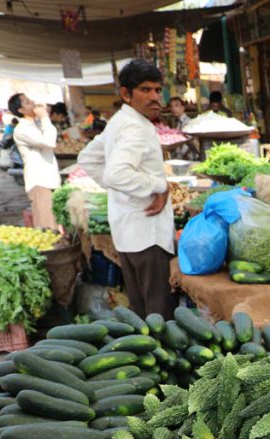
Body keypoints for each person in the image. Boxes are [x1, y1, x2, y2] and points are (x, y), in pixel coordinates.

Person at [78, 59, 175, 319]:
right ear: (126, 93)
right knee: (158, 314)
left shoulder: (120, 121)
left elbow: (88, 158)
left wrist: (120, 190)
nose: (155, 97)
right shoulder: (134, 127)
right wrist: (159, 185)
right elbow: (116, 173)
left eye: (157, 90)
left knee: (141, 311)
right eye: (145, 90)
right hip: (147, 233)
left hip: (127, 230)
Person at [9, 93, 61, 230]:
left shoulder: (36, 124)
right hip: (39, 181)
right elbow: (49, 142)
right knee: (47, 226)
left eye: (30, 100)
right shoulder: (22, 129)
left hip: (49, 179)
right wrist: (45, 117)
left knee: (55, 222)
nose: (32, 103)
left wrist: (44, 118)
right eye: (27, 102)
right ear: (21, 110)